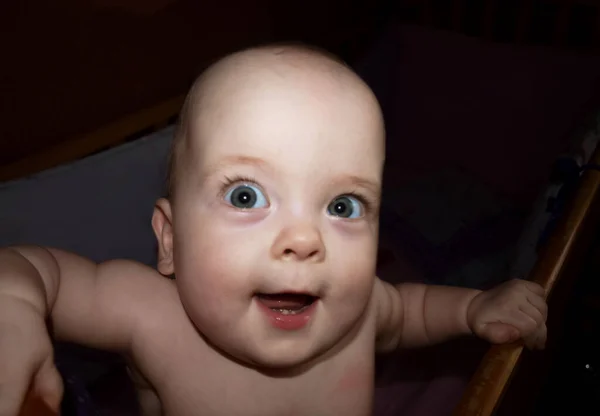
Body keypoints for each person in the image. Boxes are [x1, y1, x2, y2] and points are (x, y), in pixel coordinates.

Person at [0, 44, 548, 416]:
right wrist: (11, 305)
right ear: (169, 240)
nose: (306, 239)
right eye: (246, 196)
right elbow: (37, 272)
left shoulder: (357, 315)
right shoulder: (152, 317)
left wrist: (475, 309)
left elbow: (412, 311)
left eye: (343, 205)